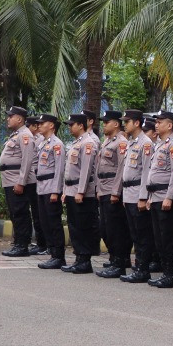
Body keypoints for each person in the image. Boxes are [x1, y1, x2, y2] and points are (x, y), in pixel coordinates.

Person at [146, 111, 173, 289]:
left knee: (168, 237)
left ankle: (171, 274)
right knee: (159, 237)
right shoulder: (160, 145)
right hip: (155, 196)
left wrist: (169, 197)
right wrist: (149, 197)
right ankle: (165, 272)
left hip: (166, 198)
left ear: (169, 125)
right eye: (156, 121)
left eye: (160, 122)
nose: (156, 124)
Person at [119, 110, 157, 283]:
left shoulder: (146, 143)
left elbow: (146, 172)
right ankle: (139, 267)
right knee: (134, 233)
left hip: (138, 194)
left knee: (142, 234)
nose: (124, 124)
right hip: (128, 193)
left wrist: (143, 197)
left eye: (127, 121)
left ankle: (143, 269)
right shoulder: (131, 142)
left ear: (136, 123)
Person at [94, 110, 131, 278]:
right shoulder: (107, 142)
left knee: (116, 229)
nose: (103, 125)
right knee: (106, 228)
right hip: (104, 189)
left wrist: (116, 192)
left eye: (106, 122)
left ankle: (119, 263)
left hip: (112, 191)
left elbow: (121, 169)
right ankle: (114, 258)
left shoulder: (121, 143)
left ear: (116, 124)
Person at [61, 113, 99, 273]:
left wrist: (81, 191)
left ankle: (85, 260)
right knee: (74, 226)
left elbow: (86, 170)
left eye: (72, 124)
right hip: (71, 189)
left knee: (83, 226)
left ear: (81, 125)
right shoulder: (76, 143)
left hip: (81, 192)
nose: (70, 127)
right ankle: (78, 258)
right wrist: (65, 191)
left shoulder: (88, 143)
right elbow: (69, 169)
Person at [0, 106, 35, 256]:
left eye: (10, 116)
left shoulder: (25, 135)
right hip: (10, 179)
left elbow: (27, 161)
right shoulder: (16, 134)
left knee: (20, 213)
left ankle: (22, 246)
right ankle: (18, 243)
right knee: (15, 213)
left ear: (19, 119)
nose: (8, 118)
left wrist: (21, 182)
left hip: (17, 181)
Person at [33, 114, 67, 269]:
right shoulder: (43, 143)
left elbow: (59, 170)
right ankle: (52, 253)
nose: (39, 125)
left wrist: (55, 191)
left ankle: (59, 256)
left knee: (53, 223)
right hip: (41, 187)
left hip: (51, 187)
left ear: (52, 125)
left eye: (42, 123)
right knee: (45, 222)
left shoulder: (57, 144)